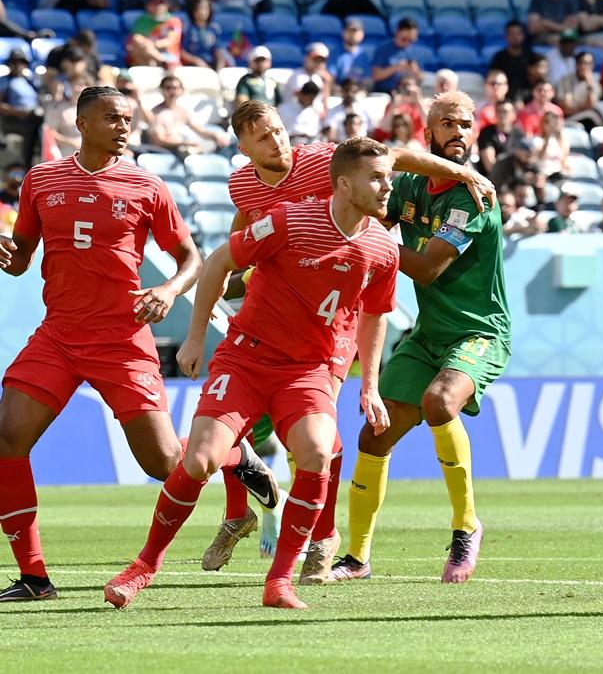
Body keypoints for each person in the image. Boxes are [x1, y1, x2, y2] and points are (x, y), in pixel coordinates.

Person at [0, 87, 274, 602]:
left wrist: (168, 291)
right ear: (81, 123)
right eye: (112, 119)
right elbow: (22, 259)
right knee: (6, 439)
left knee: (164, 464)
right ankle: (34, 577)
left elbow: (191, 258)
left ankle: (234, 457)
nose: (124, 127)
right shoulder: (41, 180)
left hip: (122, 339)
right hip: (58, 334)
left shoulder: (146, 186)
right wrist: (7, 254)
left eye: (128, 119)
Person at [103, 137, 401, 611]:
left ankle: (279, 581)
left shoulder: (384, 247)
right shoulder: (289, 220)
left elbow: (375, 314)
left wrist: (371, 385)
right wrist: (197, 336)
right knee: (199, 459)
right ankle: (144, 566)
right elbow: (221, 261)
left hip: (308, 371)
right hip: (246, 360)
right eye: (378, 177)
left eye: (389, 176)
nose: (389, 186)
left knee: (319, 451)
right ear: (344, 184)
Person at [203, 100, 495, 576]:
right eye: (264, 136)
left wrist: (462, 175)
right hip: (275, 314)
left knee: (314, 441)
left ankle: (318, 536)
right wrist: (230, 277)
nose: (277, 141)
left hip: (332, 321)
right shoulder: (241, 185)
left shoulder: (321, 159)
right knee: (230, 427)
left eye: (279, 130)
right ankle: (241, 512)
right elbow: (247, 232)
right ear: (243, 149)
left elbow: (392, 158)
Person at [329, 91, 510, 585]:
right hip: (429, 334)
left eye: (467, 124)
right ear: (427, 132)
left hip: (479, 332)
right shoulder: (406, 186)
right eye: (448, 123)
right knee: (375, 433)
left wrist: (372, 238)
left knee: (439, 401)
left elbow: (428, 269)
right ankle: (358, 557)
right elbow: (378, 168)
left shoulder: (475, 197)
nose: (459, 132)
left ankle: (466, 526)